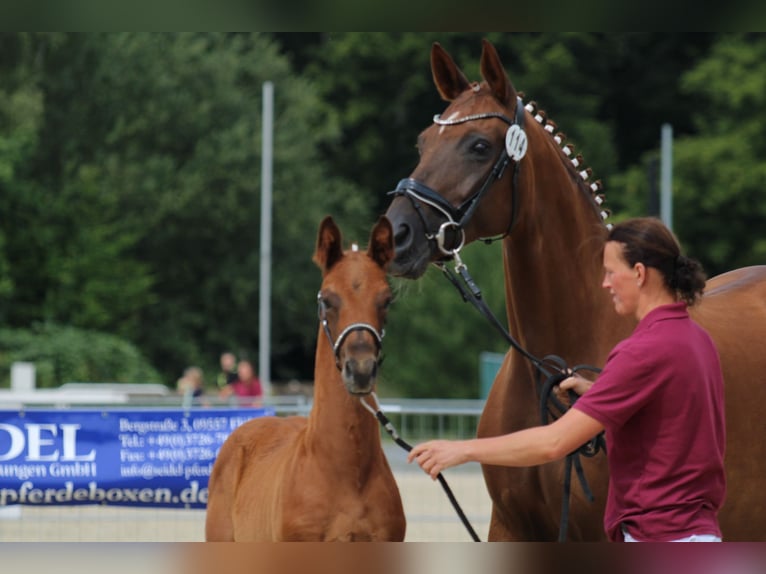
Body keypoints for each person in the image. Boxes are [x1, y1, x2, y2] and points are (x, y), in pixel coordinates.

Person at [408, 217, 726, 542]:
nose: (605, 284)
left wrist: (462, 451)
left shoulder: (641, 351)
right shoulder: (697, 339)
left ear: (640, 273)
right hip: (699, 535)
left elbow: (553, 444)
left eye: (610, 272)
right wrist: (595, 392)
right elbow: (668, 410)